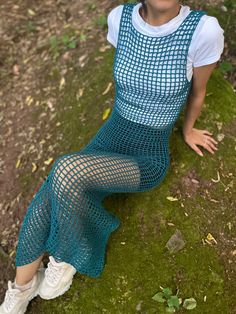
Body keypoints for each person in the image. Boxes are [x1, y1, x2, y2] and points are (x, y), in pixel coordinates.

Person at [0, 0, 224, 313]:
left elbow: (198, 91)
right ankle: (22, 288)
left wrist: (188, 130)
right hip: (113, 133)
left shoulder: (203, 30)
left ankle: (68, 254)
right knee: (52, 188)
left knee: (66, 171)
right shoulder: (119, 17)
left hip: (148, 154)